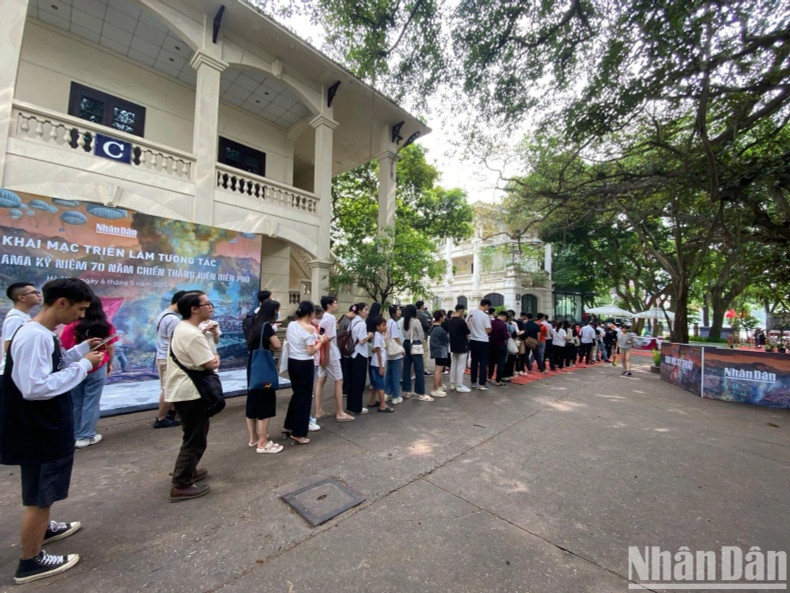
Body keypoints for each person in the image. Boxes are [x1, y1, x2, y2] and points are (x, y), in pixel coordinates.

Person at [0, 278, 104, 584]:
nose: (81, 317)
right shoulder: (35, 336)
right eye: (80, 309)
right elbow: (35, 387)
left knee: (42, 491)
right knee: (40, 496)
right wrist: (83, 366)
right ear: (61, 303)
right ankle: (30, 561)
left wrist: (82, 350)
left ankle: (42, 529)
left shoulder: (42, 333)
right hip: (41, 430)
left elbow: (52, 366)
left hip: (44, 428)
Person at [164, 291, 219, 501]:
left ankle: (188, 470)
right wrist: (216, 357)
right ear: (194, 309)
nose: (210, 307)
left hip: (184, 390)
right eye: (206, 304)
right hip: (191, 392)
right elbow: (209, 363)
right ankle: (181, 483)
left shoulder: (184, 328)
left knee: (193, 434)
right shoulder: (192, 333)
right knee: (195, 438)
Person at [60, 296, 117, 448]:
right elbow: (110, 348)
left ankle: (75, 434)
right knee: (92, 401)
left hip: (75, 366)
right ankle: (86, 435)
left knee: (76, 402)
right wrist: (109, 364)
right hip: (98, 366)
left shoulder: (71, 326)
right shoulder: (106, 326)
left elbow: (64, 348)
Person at [284, 301, 329, 444]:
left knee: (297, 395)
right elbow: (310, 350)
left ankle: (289, 425)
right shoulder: (309, 329)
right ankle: (298, 433)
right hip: (304, 364)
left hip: (293, 363)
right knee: (304, 398)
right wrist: (321, 342)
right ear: (310, 313)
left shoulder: (291, 325)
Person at [245, 299, 284, 454]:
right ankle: (263, 442)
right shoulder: (266, 326)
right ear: (272, 311)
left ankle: (253, 438)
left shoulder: (254, 324)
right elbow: (277, 345)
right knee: (265, 404)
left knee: (253, 402)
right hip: (263, 369)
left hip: (253, 367)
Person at [314, 296, 355, 422]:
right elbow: (329, 338)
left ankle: (318, 410)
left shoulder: (319, 318)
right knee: (339, 380)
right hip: (330, 352)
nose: (336, 305)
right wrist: (326, 357)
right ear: (329, 305)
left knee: (321, 380)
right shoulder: (330, 318)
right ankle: (340, 412)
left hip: (321, 352)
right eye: (335, 303)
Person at [153, 291, 187, 429]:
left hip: (161, 355)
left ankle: (170, 412)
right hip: (167, 358)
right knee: (167, 389)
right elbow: (173, 341)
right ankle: (161, 418)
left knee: (168, 387)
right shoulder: (173, 320)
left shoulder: (163, 314)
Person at [2, 282, 42, 372]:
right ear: (21, 298)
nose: (39, 295)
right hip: (10, 372)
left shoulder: (24, 316)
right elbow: (8, 347)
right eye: (34, 293)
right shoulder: (15, 319)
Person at [346, 303, 372, 415]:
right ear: (360, 311)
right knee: (359, 382)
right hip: (360, 354)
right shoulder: (361, 323)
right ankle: (357, 407)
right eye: (365, 310)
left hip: (351, 354)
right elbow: (361, 340)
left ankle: (350, 406)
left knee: (352, 381)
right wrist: (369, 336)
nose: (367, 312)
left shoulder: (352, 322)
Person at [402, 304, 432, 401]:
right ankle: (421, 393)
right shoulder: (416, 321)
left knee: (406, 368)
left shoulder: (403, 321)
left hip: (405, 343)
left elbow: (403, 333)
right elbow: (421, 335)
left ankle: (407, 391)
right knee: (419, 368)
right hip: (415, 344)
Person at [368, 317, 394, 412]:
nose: (385, 327)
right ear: (378, 327)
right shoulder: (378, 336)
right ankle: (383, 405)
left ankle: (372, 400)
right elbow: (379, 352)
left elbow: (376, 349)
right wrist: (381, 366)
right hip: (378, 363)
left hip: (377, 363)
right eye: (383, 325)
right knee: (380, 384)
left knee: (376, 383)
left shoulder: (380, 335)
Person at [467, 299, 492, 390]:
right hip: (483, 341)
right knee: (483, 363)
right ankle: (482, 384)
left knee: (474, 361)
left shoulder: (471, 312)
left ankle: (473, 382)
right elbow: (488, 329)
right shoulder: (485, 316)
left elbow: (467, 323)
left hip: (473, 340)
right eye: (487, 307)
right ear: (486, 306)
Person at [448, 304, 471, 392]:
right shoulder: (461, 321)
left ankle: (452, 384)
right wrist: (468, 325)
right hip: (462, 345)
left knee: (453, 364)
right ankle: (459, 385)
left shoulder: (451, 320)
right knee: (461, 366)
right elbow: (467, 332)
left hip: (453, 345)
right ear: (461, 310)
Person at [385, 305, 405, 404]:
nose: (400, 311)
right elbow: (396, 337)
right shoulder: (394, 323)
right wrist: (402, 348)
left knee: (388, 373)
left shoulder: (388, 322)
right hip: (395, 352)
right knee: (396, 374)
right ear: (393, 312)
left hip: (389, 351)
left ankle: (387, 393)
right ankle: (396, 396)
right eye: (398, 310)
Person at [429, 310, 449, 397]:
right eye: (443, 316)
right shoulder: (440, 329)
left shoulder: (433, 327)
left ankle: (439, 386)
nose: (444, 317)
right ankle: (435, 389)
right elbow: (446, 341)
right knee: (438, 371)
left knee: (438, 370)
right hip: (440, 351)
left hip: (436, 350)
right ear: (440, 317)